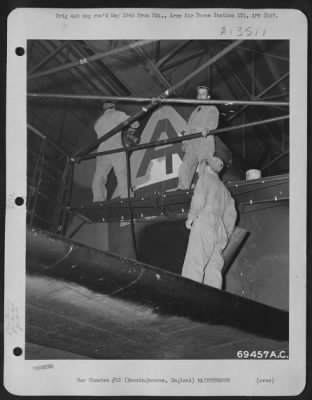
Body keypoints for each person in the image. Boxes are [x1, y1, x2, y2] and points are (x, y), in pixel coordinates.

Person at [181, 156, 237, 289]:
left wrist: (192, 216)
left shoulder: (206, 178)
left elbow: (199, 197)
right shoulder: (226, 191)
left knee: (195, 262)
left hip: (205, 220)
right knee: (214, 267)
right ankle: (213, 300)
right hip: (220, 229)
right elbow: (231, 215)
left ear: (205, 166)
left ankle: (188, 297)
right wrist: (225, 234)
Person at [92, 102, 139, 201]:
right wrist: (132, 129)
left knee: (100, 175)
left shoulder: (98, 122)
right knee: (121, 172)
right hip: (114, 147)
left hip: (101, 150)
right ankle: (127, 197)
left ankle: (98, 199)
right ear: (113, 106)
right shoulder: (117, 114)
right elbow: (134, 122)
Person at [178, 85, 219, 190]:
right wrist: (185, 142)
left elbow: (213, 121)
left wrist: (208, 128)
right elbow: (188, 128)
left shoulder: (212, 108)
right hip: (192, 144)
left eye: (203, 94)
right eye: (199, 94)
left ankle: (206, 191)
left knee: (204, 169)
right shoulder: (195, 111)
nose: (200, 96)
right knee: (184, 168)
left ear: (208, 97)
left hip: (204, 142)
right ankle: (182, 190)